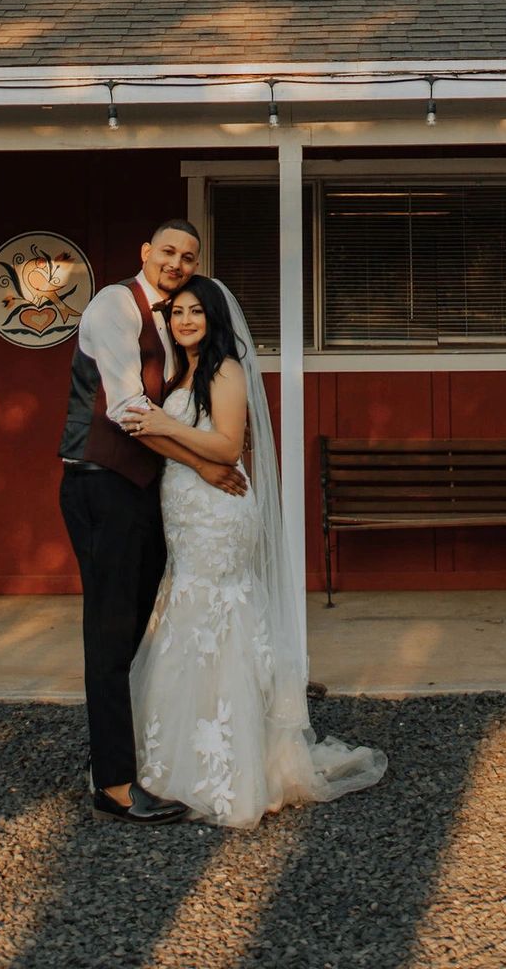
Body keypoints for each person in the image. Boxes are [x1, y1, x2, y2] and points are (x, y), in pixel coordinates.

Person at [120, 273, 388, 831]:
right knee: (187, 616)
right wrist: (170, 438)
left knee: (219, 616)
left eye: (196, 311)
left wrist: (166, 423)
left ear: (215, 318)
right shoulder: (181, 371)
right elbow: (170, 441)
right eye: (177, 313)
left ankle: (240, 769)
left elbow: (225, 442)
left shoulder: (225, 369)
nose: (185, 320)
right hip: (187, 505)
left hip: (220, 511)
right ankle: (179, 757)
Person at [59, 219, 247, 826]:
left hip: (143, 492)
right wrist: (206, 463)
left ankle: (136, 755)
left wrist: (200, 465)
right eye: (167, 251)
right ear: (145, 252)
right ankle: (113, 785)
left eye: (188, 256)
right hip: (101, 484)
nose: (177, 262)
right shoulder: (115, 305)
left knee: (136, 633)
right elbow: (128, 412)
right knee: (110, 638)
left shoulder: (169, 323)